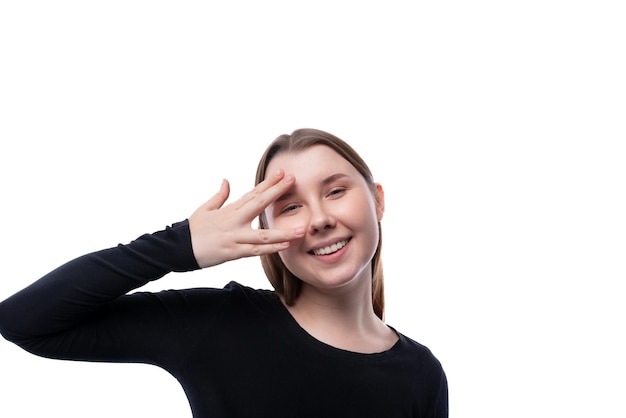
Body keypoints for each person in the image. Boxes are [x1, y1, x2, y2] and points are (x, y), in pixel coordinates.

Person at [0, 128, 448, 417]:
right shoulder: (220, 323)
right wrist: (179, 246)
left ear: (378, 200)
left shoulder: (422, 375)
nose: (317, 219)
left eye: (335, 191)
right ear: (267, 230)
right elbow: (25, 321)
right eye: (290, 206)